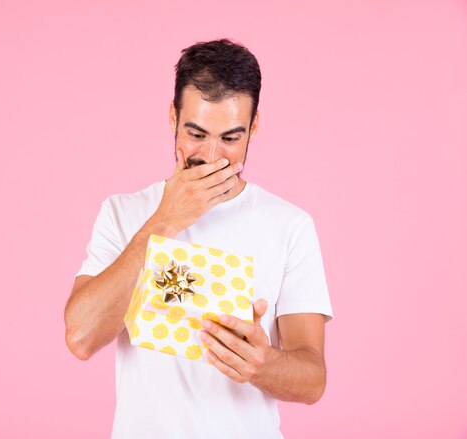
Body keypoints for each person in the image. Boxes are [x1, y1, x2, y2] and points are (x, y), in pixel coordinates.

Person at [64, 38, 334, 439]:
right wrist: (163, 222)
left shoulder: (290, 225)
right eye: (196, 134)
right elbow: (81, 338)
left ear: (254, 128)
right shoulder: (123, 214)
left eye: (230, 139)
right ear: (173, 118)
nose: (211, 157)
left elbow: (313, 379)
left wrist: (262, 363)